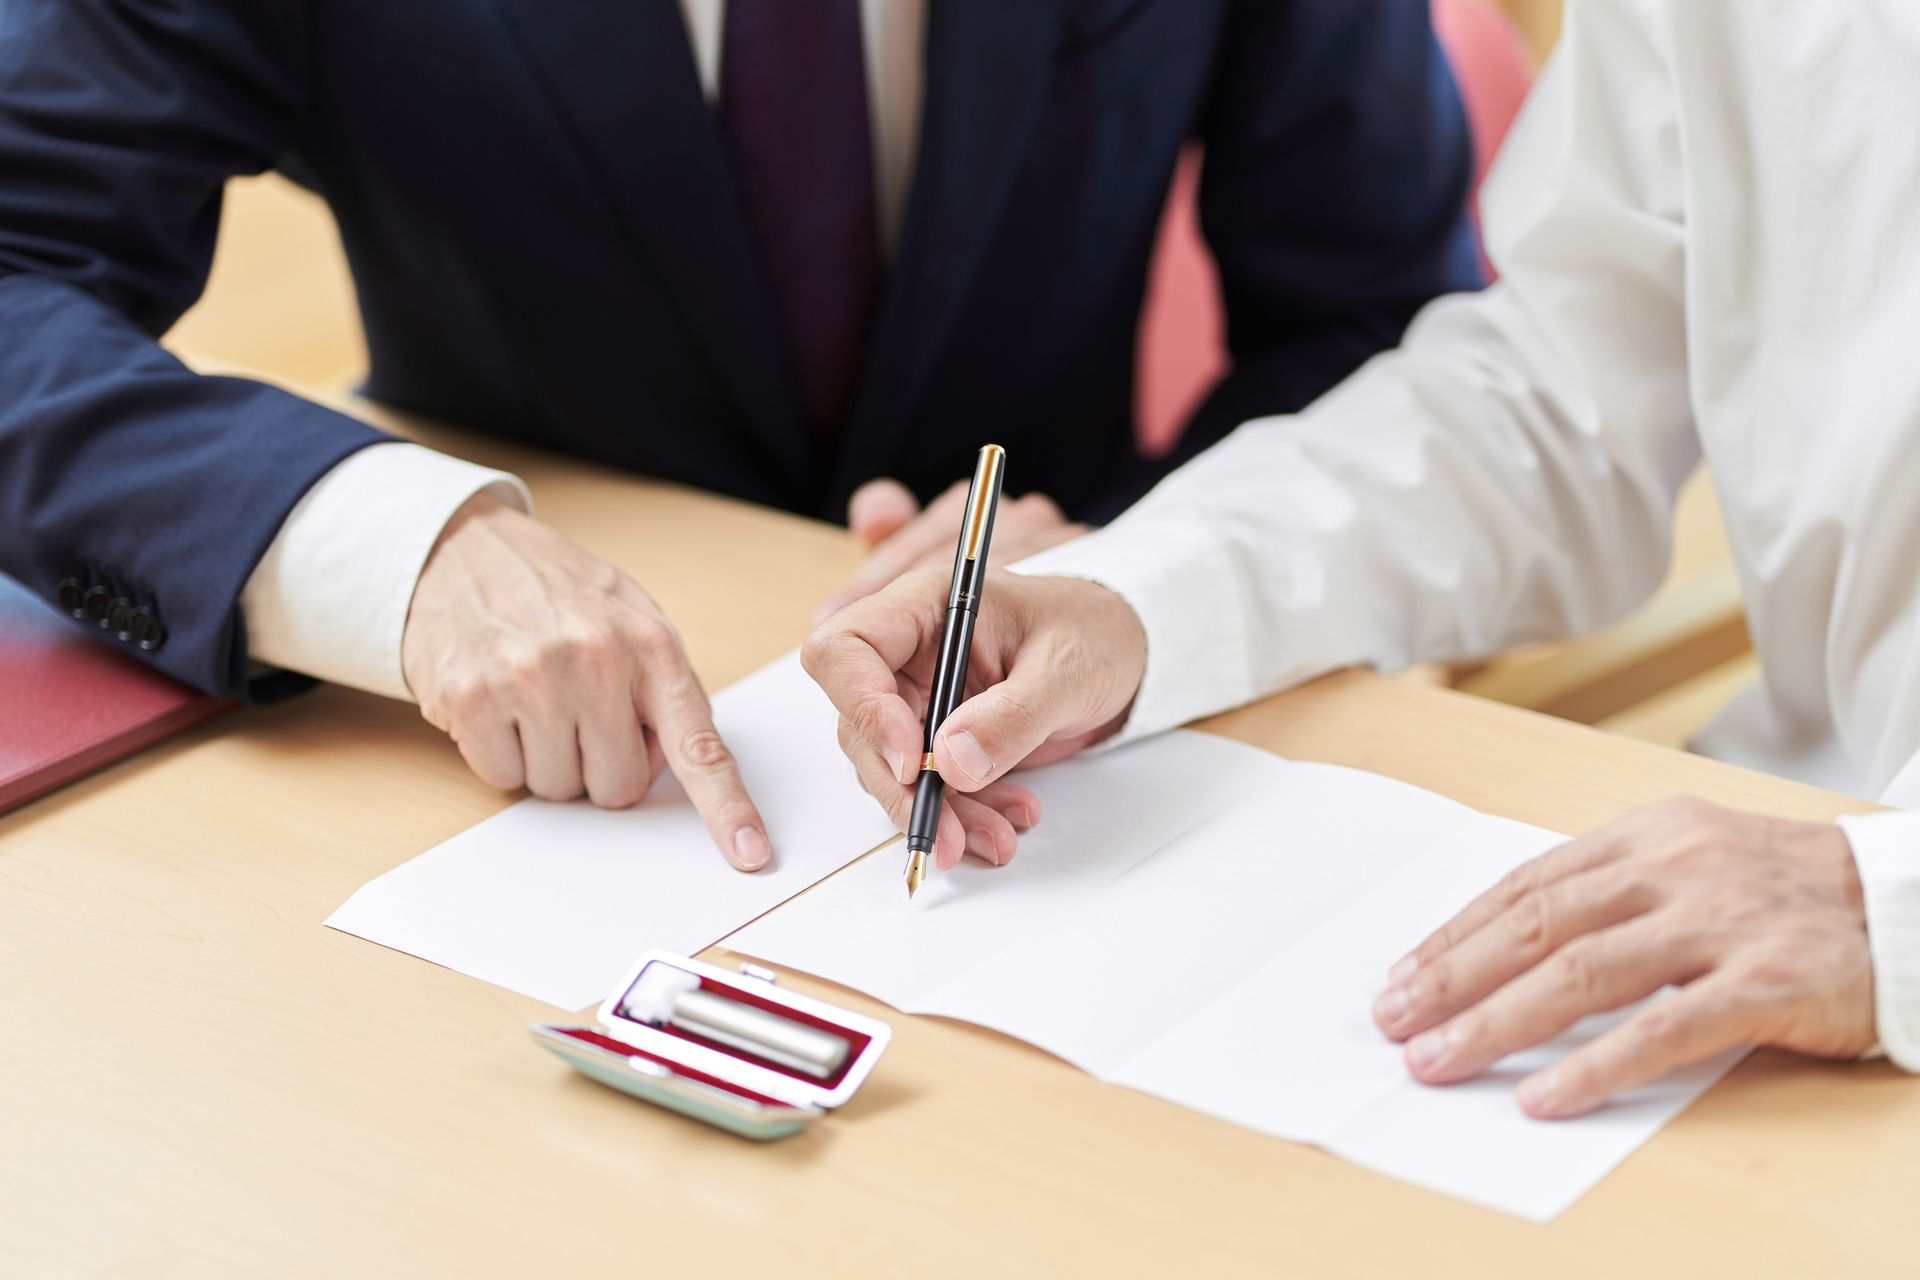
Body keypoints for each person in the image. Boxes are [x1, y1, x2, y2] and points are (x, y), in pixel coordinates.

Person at [0, 0, 1479, 868]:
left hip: (1063, 783)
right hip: (497, 803)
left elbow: (1384, 319)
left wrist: (1152, 559)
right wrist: (392, 547)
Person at [805, 0, 1920, 1111]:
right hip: (1772, 881)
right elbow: (1557, 404)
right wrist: (1141, 597)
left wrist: (1888, 906)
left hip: (1833, 919)